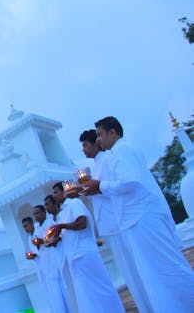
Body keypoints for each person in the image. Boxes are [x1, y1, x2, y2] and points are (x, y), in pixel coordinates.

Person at [83, 116, 194, 312]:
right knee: (153, 273)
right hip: (134, 220)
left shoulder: (123, 150)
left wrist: (101, 186)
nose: (98, 140)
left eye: (100, 135)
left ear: (113, 133)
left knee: (165, 268)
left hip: (142, 217)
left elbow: (130, 182)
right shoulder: (118, 153)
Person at [79, 129, 151, 312]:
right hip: (110, 225)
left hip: (118, 222)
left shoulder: (107, 160)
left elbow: (113, 189)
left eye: (85, 145)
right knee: (130, 275)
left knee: (136, 271)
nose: (83, 149)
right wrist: (84, 189)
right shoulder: (96, 165)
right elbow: (100, 190)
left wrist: (95, 187)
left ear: (96, 143)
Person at [50, 182, 125, 313]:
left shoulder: (74, 203)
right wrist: (57, 237)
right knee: (87, 294)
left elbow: (82, 223)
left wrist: (61, 226)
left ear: (64, 192)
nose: (54, 196)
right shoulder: (64, 211)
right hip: (74, 256)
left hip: (84, 253)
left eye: (56, 192)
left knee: (99, 287)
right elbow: (69, 233)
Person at [37, 199, 72, 313]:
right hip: (48, 263)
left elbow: (59, 237)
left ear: (43, 212)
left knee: (66, 288)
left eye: (38, 212)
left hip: (59, 258)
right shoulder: (38, 228)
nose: (36, 215)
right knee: (55, 293)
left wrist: (45, 241)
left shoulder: (51, 223)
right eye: (34, 214)